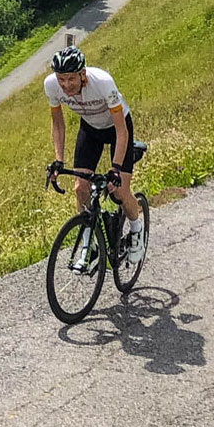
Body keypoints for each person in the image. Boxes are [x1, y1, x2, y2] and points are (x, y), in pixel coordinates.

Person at [44, 45, 144, 266]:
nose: (66, 85)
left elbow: (121, 130)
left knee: (118, 190)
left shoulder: (103, 83)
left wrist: (116, 167)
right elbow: (58, 123)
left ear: (83, 74)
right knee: (81, 188)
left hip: (117, 129)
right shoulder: (51, 86)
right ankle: (89, 247)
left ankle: (137, 231)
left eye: (71, 79)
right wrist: (59, 160)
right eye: (61, 79)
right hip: (89, 130)